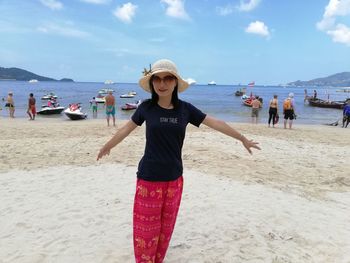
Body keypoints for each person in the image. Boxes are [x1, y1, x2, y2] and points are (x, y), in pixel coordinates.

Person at [97, 59, 261, 263]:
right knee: (146, 235)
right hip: (149, 178)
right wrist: (108, 145)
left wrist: (242, 138)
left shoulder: (185, 109)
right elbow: (126, 129)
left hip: (174, 180)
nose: (162, 83)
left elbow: (216, 122)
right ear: (152, 83)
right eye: (157, 79)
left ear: (175, 83)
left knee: (165, 232)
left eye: (168, 79)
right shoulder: (146, 108)